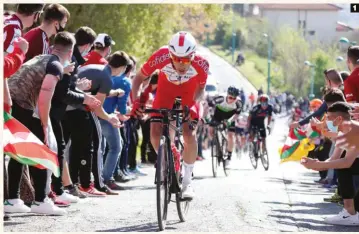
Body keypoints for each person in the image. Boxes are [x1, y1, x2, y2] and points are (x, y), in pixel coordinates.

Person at [131, 31, 209, 199]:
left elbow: (201, 90)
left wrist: (192, 106)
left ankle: (188, 181)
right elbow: (138, 78)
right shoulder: (161, 55)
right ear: (170, 54)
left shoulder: (202, 63)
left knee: (189, 133)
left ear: (193, 55)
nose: (181, 64)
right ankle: (168, 160)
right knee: (155, 131)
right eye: (176, 59)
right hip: (166, 91)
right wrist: (136, 101)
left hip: (190, 92)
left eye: (186, 60)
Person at [6, 32, 76, 216]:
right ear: (70, 53)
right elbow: (45, 96)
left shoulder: (42, 58)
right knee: (43, 148)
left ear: (54, 47)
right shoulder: (55, 66)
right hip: (20, 104)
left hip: (10, 101)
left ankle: (12, 200)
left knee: (18, 151)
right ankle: (40, 201)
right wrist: (45, 125)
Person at [301, 102, 359, 226]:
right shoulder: (344, 132)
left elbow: (346, 162)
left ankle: (351, 213)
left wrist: (317, 165)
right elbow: (334, 158)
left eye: (328, 118)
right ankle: (351, 212)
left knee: (344, 167)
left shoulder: (354, 131)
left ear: (339, 119)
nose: (325, 121)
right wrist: (316, 164)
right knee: (341, 165)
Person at [208, 86, 243, 168]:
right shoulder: (221, 98)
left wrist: (230, 121)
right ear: (227, 95)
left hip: (230, 117)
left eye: (234, 98)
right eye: (230, 97)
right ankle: (216, 144)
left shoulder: (239, 103)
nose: (232, 100)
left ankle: (229, 157)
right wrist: (209, 116)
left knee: (231, 135)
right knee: (210, 130)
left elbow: (237, 115)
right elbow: (210, 106)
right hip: (218, 115)